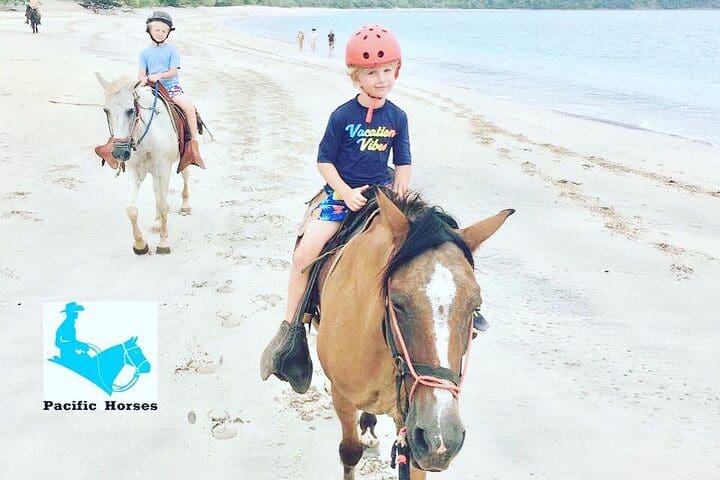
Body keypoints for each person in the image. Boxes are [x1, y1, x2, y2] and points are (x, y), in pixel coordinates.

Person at [261, 25, 411, 391]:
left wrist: (401, 198)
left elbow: (403, 162)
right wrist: (344, 192)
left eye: (386, 71)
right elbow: (324, 162)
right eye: (371, 73)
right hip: (342, 196)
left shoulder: (398, 117)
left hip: (384, 194)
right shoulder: (342, 116)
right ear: (355, 77)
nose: (380, 79)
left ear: (397, 71)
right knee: (305, 253)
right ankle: (291, 330)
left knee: (425, 242)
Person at [138, 11, 204, 171]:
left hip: (171, 88)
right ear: (149, 31)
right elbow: (141, 72)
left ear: (168, 33)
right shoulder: (144, 52)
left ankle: (193, 145)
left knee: (189, 108)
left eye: (163, 31)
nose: (160, 34)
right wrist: (142, 79)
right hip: (151, 88)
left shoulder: (172, 51)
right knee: (130, 106)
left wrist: (158, 75)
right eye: (157, 30)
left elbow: (173, 72)